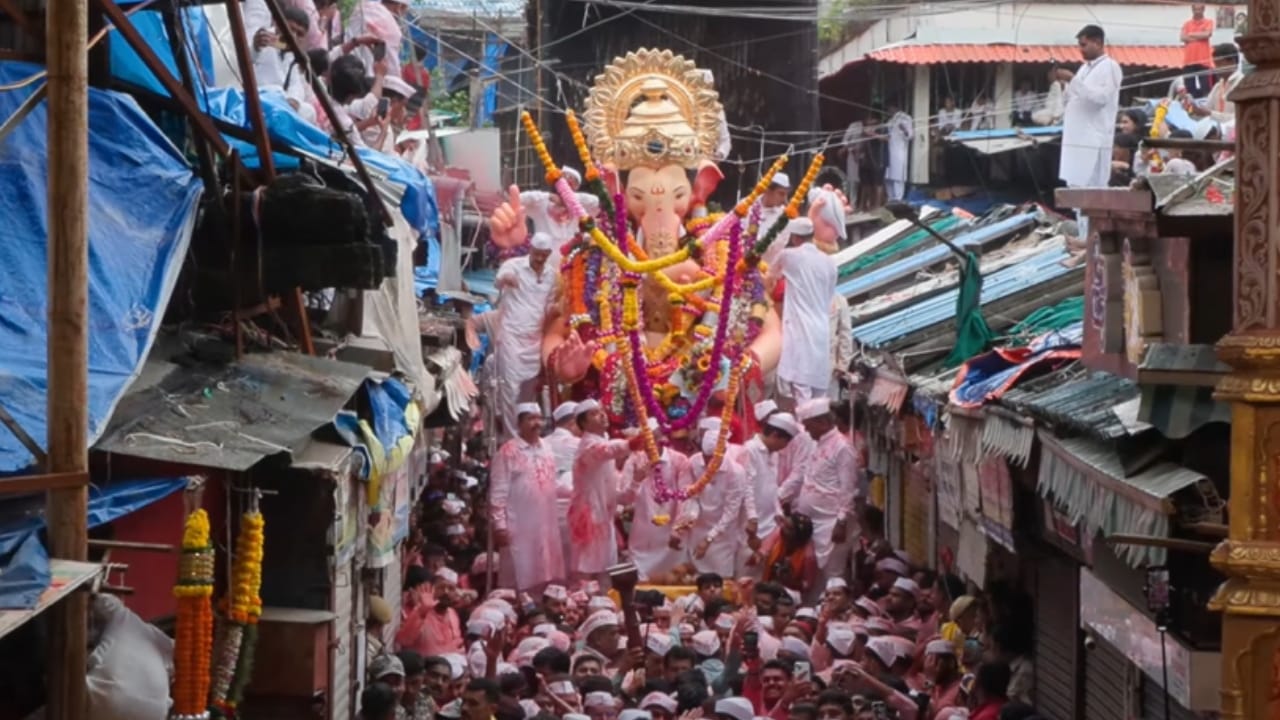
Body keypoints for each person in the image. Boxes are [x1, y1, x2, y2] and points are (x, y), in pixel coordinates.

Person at [472, 232, 556, 438]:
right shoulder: (514, 265)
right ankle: (512, 439)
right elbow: (498, 281)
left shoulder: (552, 275)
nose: (539, 258)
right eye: (537, 253)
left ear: (548, 254)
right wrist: (505, 279)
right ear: (531, 250)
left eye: (544, 254)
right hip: (511, 337)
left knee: (528, 392)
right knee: (510, 389)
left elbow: (549, 305)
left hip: (534, 339)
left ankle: (528, 436)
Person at [779, 398, 863, 580]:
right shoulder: (817, 444)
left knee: (832, 574)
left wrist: (841, 522)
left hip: (831, 523)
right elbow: (804, 475)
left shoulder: (842, 447)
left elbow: (847, 488)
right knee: (811, 574)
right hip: (811, 524)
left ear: (822, 423)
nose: (807, 432)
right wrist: (780, 497)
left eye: (809, 427)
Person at [489, 403, 565, 593]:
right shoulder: (507, 451)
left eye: (539, 418)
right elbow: (498, 492)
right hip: (519, 525)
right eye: (531, 419)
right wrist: (500, 525)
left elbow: (552, 482)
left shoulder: (547, 447)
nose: (537, 423)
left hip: (546, 522)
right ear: (519, 423)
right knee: (520, 570)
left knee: (547, 570)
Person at [569, 400, 643, 582]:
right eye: (594, 413)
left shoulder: (605, 449)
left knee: (606, 575)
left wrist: (636, 480)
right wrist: (632, 444)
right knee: (586, 573)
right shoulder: (588, 446)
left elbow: (621, 497)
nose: (602, 415)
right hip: (588, 519)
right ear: (584, 423)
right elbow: (607, 450)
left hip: (605, 520)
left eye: (602, 411)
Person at [767, 218, 837, 405]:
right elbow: (830, 295)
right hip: (821, 327)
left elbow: (770, 277)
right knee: (818, 386)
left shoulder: (789, 256)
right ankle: (816, 419)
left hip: (800, 324)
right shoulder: (830, 262)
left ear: (794, 238)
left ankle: (806, 421)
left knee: (801, 382)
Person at [675, 418, 757, 576]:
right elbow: (690, 495)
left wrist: (709, 539)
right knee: (693, 576)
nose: (708, 462)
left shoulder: (736, 472)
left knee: (720, 578)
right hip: (697, 529)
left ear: (723, 452)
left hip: (722, 534)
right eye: (705, 457)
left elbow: (731, 512)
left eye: (713, 458)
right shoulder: (694, 462)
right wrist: (687, 519)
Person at [1057, 25, 1123, 189]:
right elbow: (1073, 97)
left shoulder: (1110, 66)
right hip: (1076, 138)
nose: (1081, 50)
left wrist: (1072, 80)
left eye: (1084, 45)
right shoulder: (1084, 68)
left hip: (1094, 139)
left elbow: (1100, 99)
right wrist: (1065, 84)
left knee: (1092, 188)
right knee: (1075, 186)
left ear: (1098, 43)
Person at [621, 442, 692, 581]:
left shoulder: (679, 460)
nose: (650, 443)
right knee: (641, 578)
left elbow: (685, 496)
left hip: (671, 529)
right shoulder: (634, 460)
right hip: (643, 533)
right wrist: (636, 480)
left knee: (675, 577)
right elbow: (624, 497)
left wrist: (678, 529)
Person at [544, 401, 581, 569]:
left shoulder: (543, 443)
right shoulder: (579, 444)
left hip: (546, 508)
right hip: (573, 506)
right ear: (572, 422)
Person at [753, 172, 793, 265]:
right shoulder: (747, 205)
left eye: (786, 195)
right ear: (767, 190)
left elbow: (776, 245)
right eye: (781, 194)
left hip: (767, 267)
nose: (784, 200)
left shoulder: (784, 216)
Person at [1180, 4, 1215, 98]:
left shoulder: (1208, 22)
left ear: (1203, 10)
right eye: (1195, 9)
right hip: (1188, 62)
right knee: (1189, 90)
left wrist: (1190, 34)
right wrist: (1199, 36)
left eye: (1199, 9)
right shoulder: (1187, 24)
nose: (1197, 12)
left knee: (1205, 89)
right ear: (1192, 10)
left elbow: (1207, 34)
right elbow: (1182, 37)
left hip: (1203, 61)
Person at [882, 103, 914, 202]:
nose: (888, 110)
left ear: (895, 107)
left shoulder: (905, 118)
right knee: (888, 177)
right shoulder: (890, 120)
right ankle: (891, 198)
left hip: (899, 152)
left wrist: (904, 130)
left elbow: (910, 135)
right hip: (889, 151)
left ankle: (898, 198)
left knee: (898, 177)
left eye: (889, 108)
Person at [840, 121, 865, 205]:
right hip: (853, 156)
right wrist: (852, 150)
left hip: (868, 157)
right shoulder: (854, 125)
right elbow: (845, 141)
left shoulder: (876, 126)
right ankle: (852, 203)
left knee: (867, 182)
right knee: (853, 180)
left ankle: (864, 204)